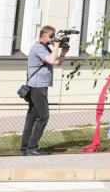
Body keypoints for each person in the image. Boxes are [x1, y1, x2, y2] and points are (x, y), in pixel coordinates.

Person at [20, 25, 69, 156]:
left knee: (32, 118)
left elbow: (57, 62)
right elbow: (52, 60)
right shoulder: (38, 48)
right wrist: (57, 44)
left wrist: (63, 53)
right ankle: (31, 148)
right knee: (43, 116)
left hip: (38, 86)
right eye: (52, 36)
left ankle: (25, 148)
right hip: (37, 87)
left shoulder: (45, 48)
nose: (53, 39)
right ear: (44, 36)